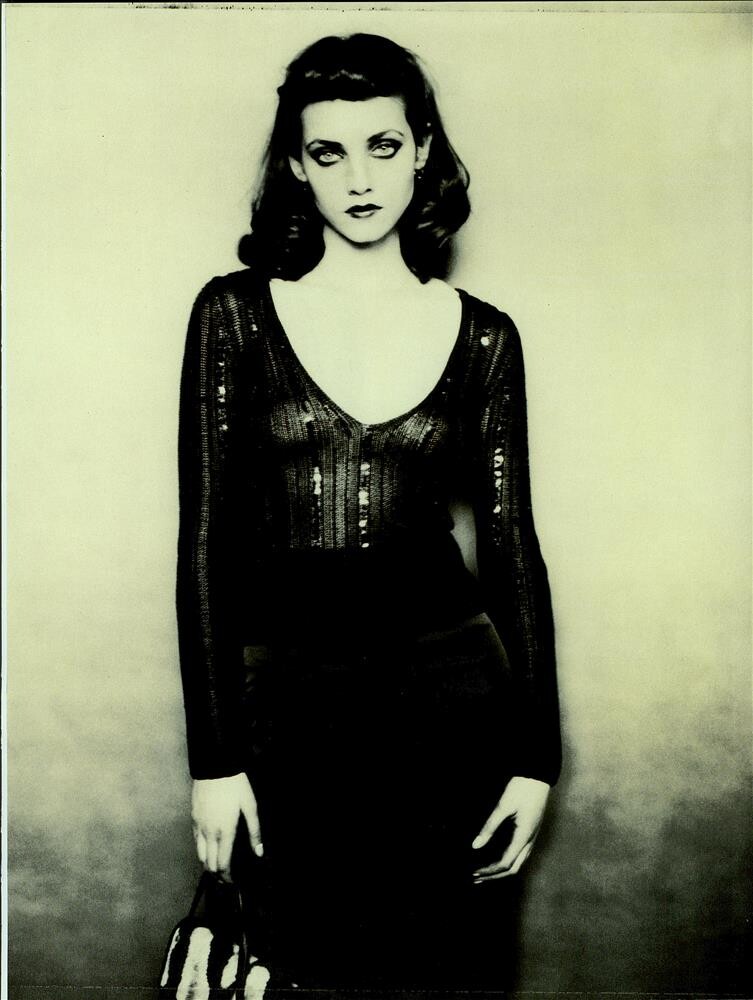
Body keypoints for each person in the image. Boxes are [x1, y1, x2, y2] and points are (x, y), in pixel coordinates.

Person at [176, 32, 561, 998]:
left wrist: (535, 761)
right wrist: (213, 763)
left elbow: (511, 548)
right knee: (298, 971)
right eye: (329, 151)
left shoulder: (484, 335)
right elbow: (205, 544)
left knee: (443, 975)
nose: (358, 179)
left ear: (421, 149)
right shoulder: (233, 315)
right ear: (295, 166)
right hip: (288, 712)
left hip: (450, 706)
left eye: (383, 146)